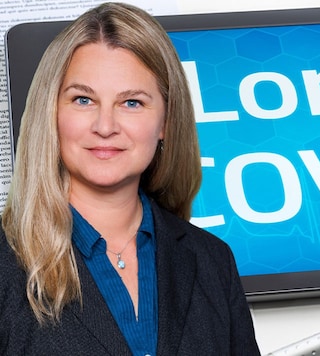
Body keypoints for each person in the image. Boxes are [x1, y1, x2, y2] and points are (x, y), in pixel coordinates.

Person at [0, 2, 260, 355]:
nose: (105, 126)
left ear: (166, 121)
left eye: (132, 103)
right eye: (83, 99)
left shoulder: (212, 261)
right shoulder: (5, 262)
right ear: (51, 113)